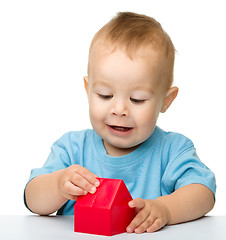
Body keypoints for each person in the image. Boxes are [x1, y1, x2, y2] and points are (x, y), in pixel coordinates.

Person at [24, 12, 216, 234]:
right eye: (105, 95)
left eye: (137, 99)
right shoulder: (72, 148)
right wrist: (58, 185)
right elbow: (32, 199)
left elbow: (204, 193)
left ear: (166, 101)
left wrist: (167, 209)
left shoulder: (173, 150)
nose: (119, 110)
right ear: (88, 90)